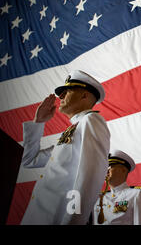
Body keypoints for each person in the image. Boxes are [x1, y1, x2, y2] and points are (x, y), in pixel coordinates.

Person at [21, 70, 110, 225]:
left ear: (84, 96)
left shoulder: (91, 120)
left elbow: (90, 178)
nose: (60, 97)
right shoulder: (72, 130)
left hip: (57, 218)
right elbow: (29, 160)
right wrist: (38, 122)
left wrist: (73, 221)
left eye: (67, 91)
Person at [92, 149, 141, 225]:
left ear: (123, 170)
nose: (106, 171)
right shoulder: (99, 198)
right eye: (104, 168)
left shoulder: (136, 194)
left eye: (110, 167)